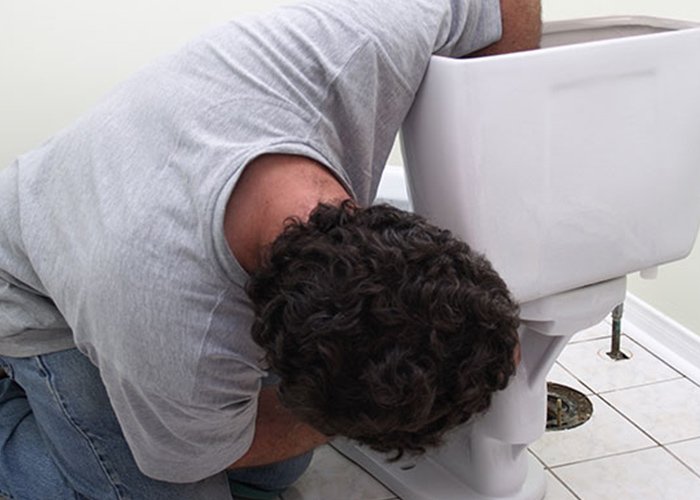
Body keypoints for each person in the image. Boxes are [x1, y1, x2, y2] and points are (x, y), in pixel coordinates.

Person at [0, 0, 541, 498]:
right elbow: (196, 456)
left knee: (274, 473)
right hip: (29, 290)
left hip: (112, 219)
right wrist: (348, 419)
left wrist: (494, 174)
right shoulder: (175, 326)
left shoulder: (353, 50)